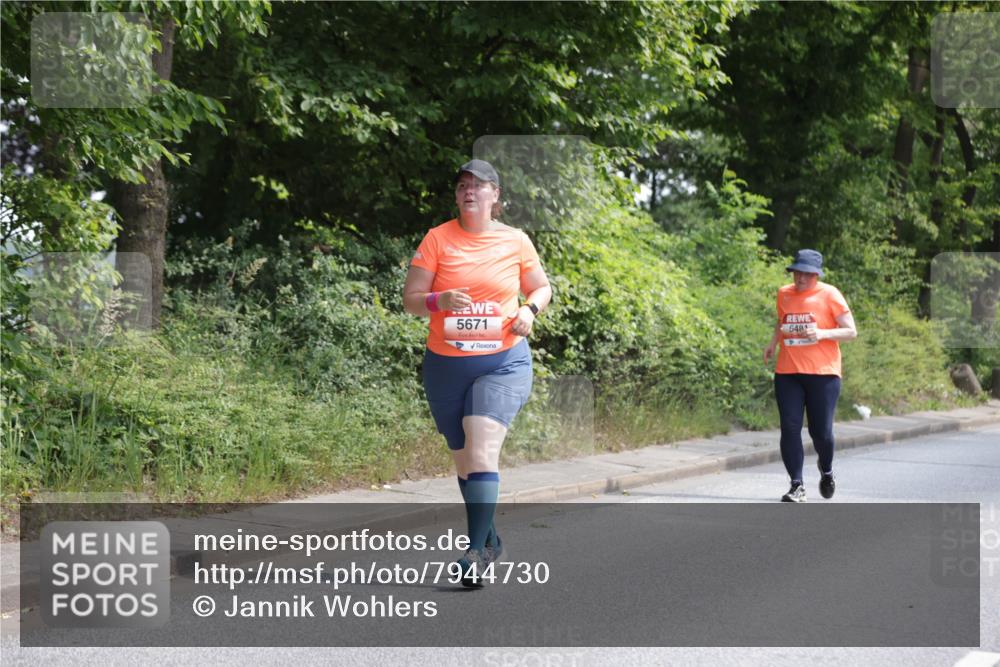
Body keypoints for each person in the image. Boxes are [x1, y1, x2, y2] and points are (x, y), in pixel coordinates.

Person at [402, 159, 552, 586]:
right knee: (465, 460)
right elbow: (411, 299)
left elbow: (543, 286)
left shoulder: (516, 241)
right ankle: (489, 539)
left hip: (503, 361)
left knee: (482, 447)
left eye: (479, 185)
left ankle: (474, 553)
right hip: (445, 366)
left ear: (495, 196)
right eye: (463, 185)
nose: (470, 191)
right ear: (457, 195)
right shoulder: (436, 239)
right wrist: (439, 301)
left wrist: (529, 309)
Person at [763, 249, 857, 503]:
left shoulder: (830, 294)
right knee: (790, 427)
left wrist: (823, 334)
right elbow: (781, 321)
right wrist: (773, 343)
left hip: (823, 373)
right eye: (797, 272)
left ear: (816, 274)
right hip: (788, 371)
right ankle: (797, 485)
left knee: (821, 433)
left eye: (806, 273)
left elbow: (851, 331)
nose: (800, 278)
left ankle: (826, 471)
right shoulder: (784, 293)